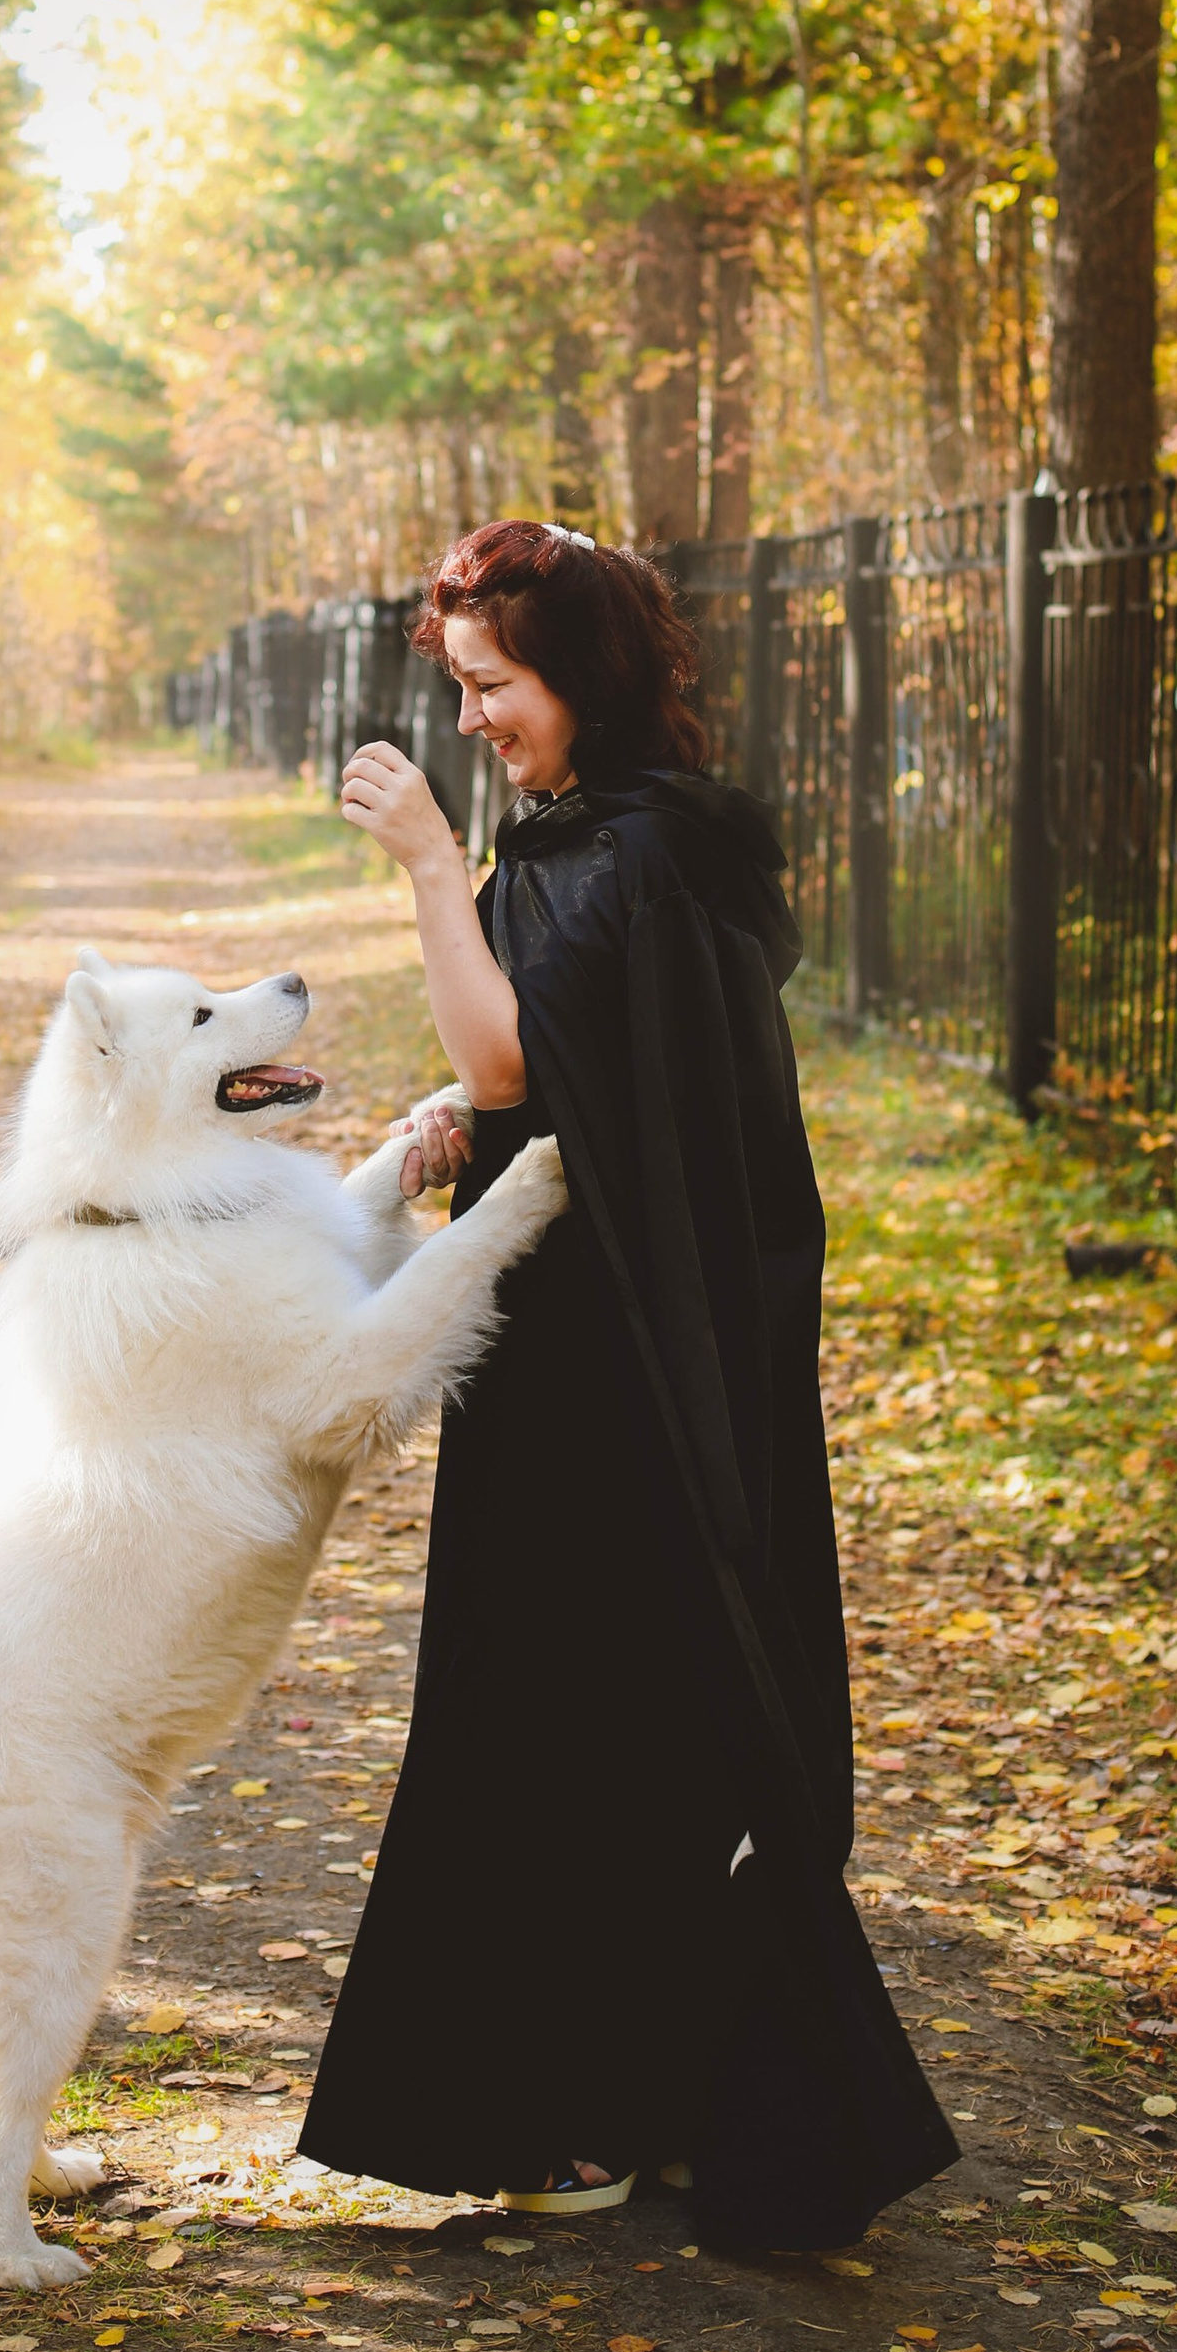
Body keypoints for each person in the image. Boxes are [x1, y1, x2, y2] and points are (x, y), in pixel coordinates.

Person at [297, 518, 958, 2249]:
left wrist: (439, 876)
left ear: (578, 677)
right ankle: (626, 2098)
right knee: (573, 1713)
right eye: (460, 691)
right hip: (585, 1341)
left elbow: (515, 1039)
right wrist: (477, 1127)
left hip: (641, 1367)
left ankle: (609, 2108)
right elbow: (539, 1075)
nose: (474, 727)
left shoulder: (648, 853)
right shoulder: (599, 841)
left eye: (495, 690)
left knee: (610, 1718)